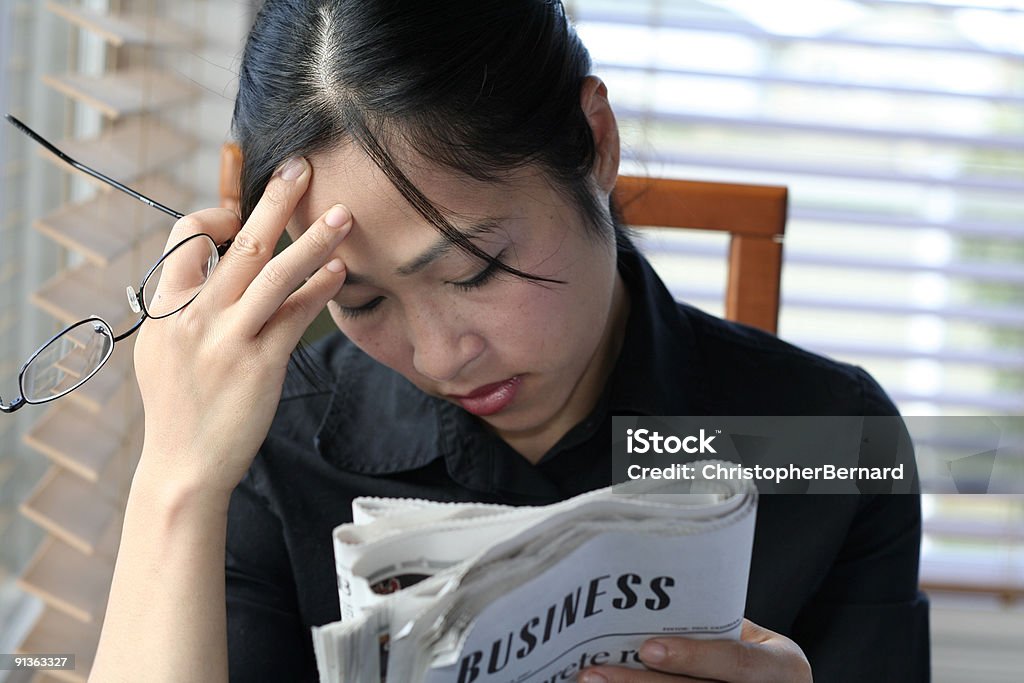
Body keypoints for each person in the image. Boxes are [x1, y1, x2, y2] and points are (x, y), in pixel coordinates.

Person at [89, 1, 930, 681]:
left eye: (476, 270)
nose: (439, 356)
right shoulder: (268, 440)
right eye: (363, 297)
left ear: (594, 142)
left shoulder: (837, 438)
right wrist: (177, 473)